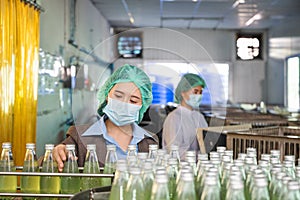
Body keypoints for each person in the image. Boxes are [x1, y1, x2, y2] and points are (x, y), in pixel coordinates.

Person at [53, 64, 158, 172]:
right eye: (118, 96)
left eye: (133, 101)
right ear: (107, 95)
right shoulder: (79, 137)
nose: (124, 104)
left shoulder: (149, 141)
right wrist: (57, 153)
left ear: (142, 105)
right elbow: (50, 165)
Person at [162, 73, 208, 160]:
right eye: (195, 92)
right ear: (183, 93)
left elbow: (206, 143)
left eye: (200, 92)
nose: (198, 96)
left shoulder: (199, 117)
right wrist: (198, 156)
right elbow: (174, 151)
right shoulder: (174, 118)